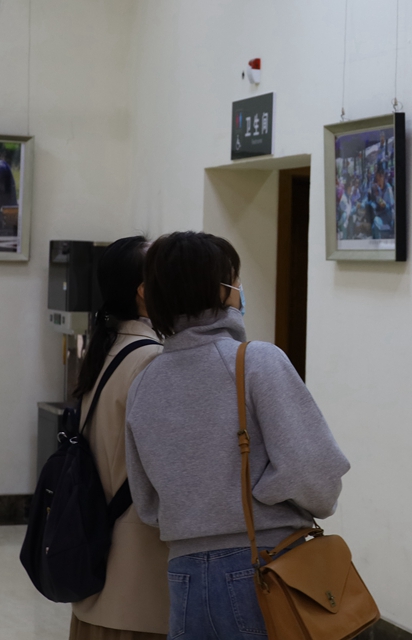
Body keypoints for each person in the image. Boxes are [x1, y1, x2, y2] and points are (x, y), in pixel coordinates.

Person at [125, 231, 349, 640]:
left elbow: (145, 498)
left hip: (184, 572)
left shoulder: (144, 382)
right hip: (265, 561)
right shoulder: (257, 361)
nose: (240, 288)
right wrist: (265, 497)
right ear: (219, 289)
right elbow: (313, 470)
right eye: (235, 279)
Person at [69, 236, 167, 640]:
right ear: (144, 291)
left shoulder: (108, 348)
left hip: (101, 560)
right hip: (137, 574)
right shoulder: (151, 359)